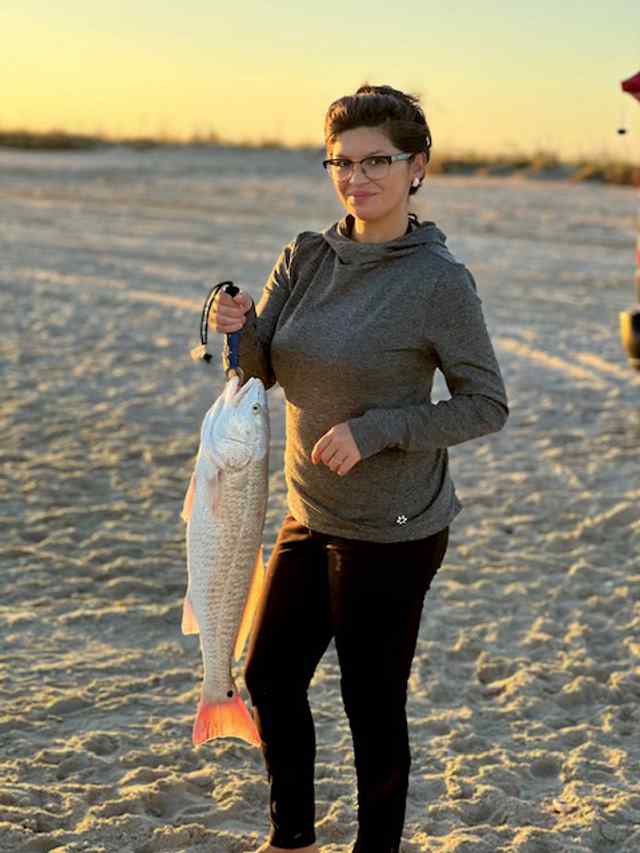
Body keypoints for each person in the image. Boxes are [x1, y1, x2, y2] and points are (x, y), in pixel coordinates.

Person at [210, 83, 509, 853]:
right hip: (308, 512)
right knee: (271, 678)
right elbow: (260, 370)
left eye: (376, 160)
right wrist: (235, 330)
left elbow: (486, 404)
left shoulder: (439, 281)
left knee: (370, 700)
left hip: (396, 525)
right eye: (341, 161)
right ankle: (293, 837)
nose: (356, 177)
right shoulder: (304, 256)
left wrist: (379, 430)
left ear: (418, 167)